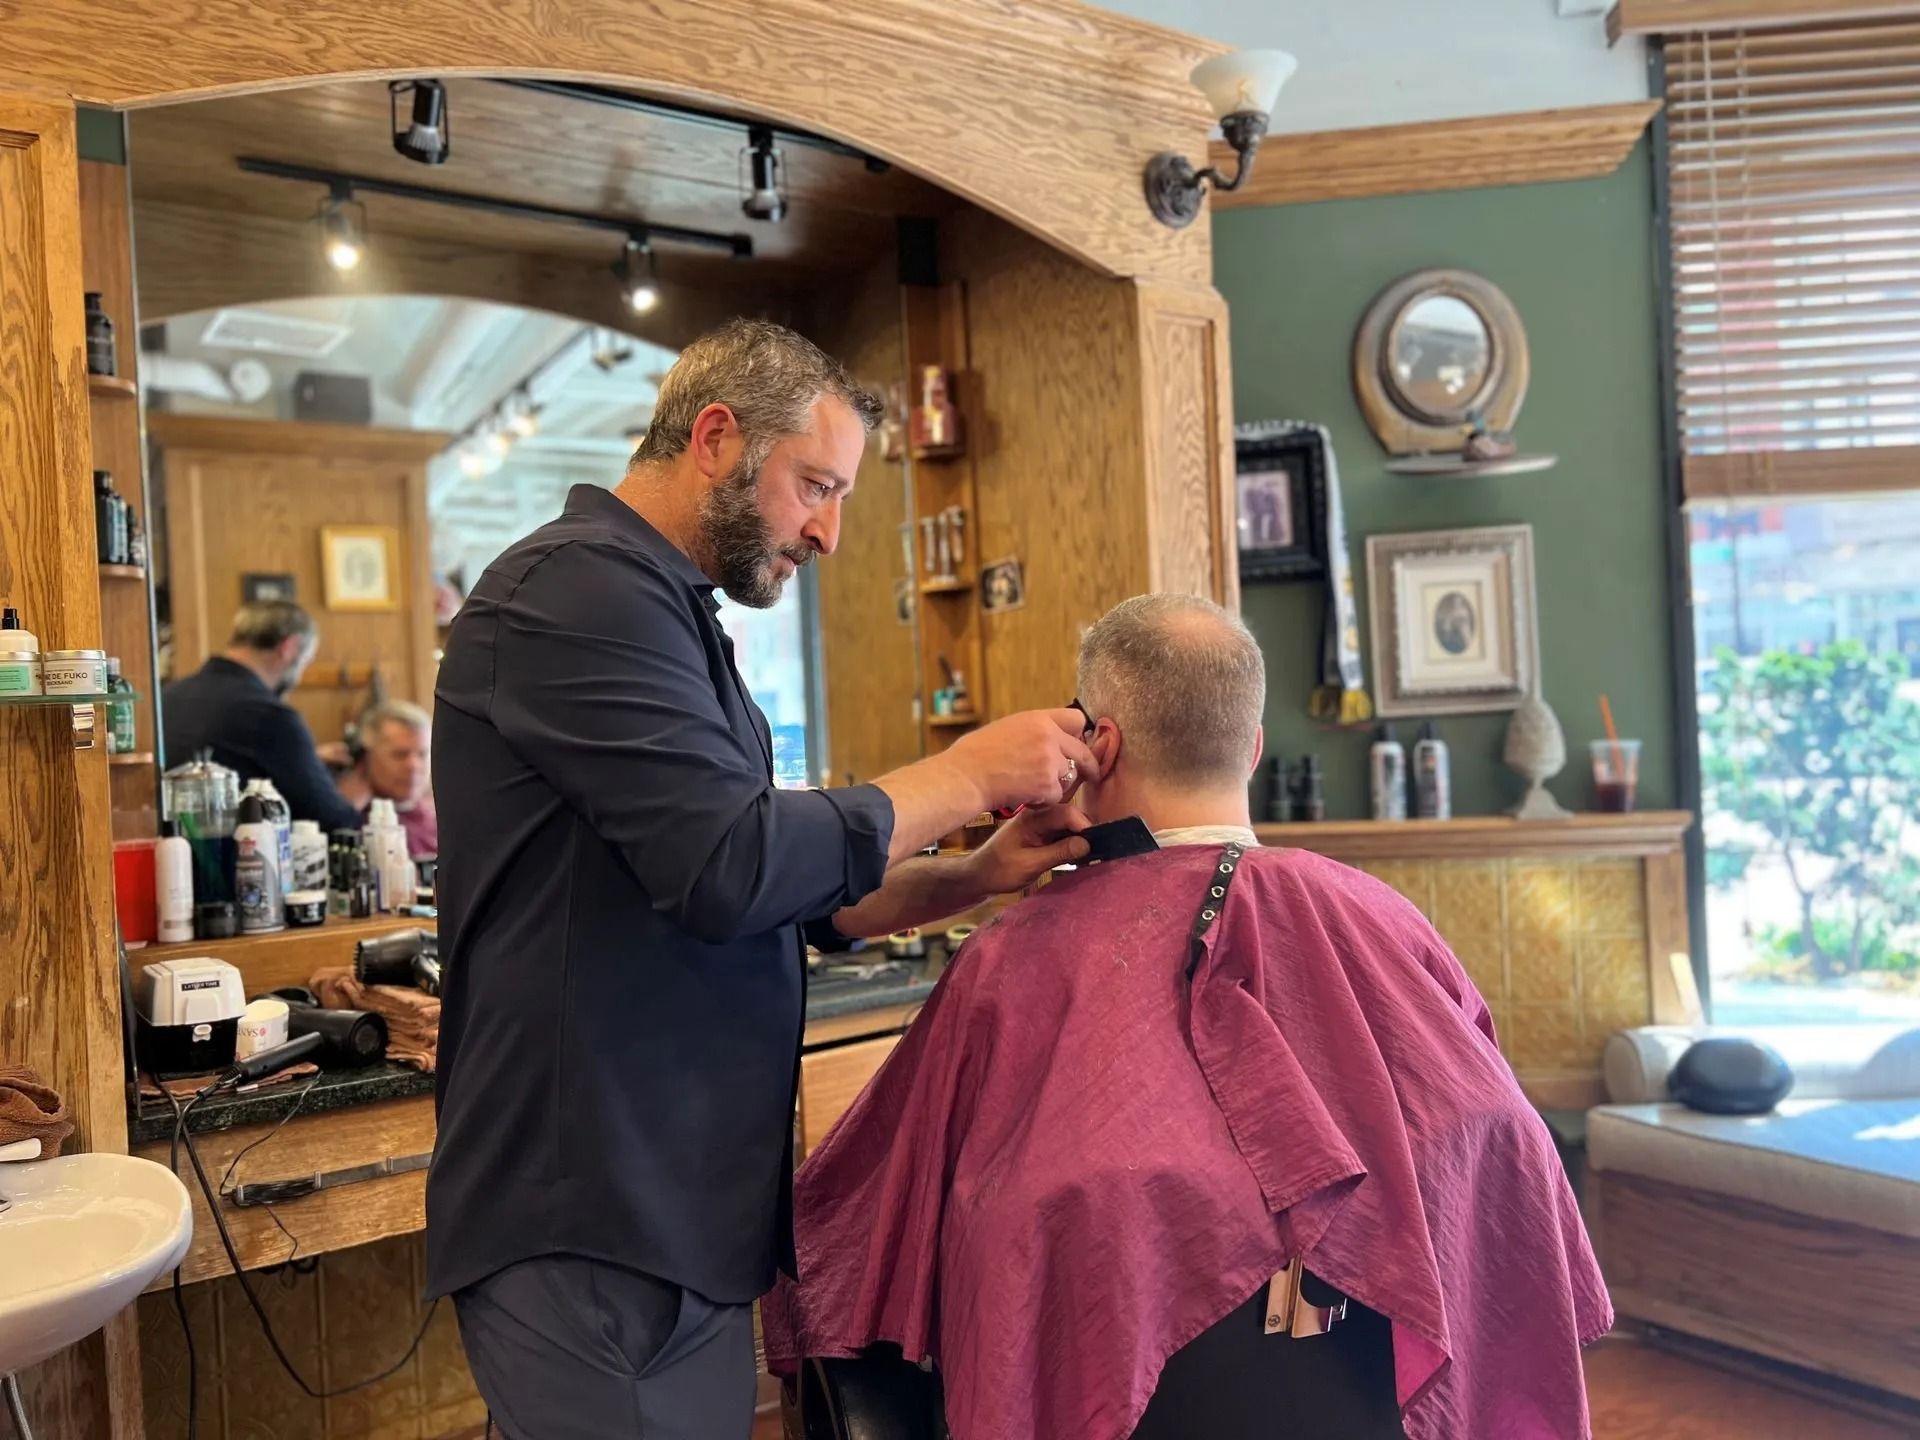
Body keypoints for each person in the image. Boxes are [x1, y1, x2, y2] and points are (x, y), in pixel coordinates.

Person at [425, 319, 1103, 1440]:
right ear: (716, 437)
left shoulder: (669, 614)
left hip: (669, 1206)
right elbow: (732, 866)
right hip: (593, 1205)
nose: (831, 532)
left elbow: (790, 885)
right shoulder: (573, 592)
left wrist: (979, 871)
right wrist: (964, 770)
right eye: (815, 487)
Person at [763, 594, 1611, 1440]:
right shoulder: (1386, 919)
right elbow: (1491, 1129)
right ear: (1253, 748)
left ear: (1100, 748)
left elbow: (842, 1227)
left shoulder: (1009, 959)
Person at [162, 600, 362, 832]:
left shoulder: (170, 695)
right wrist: (363, 786)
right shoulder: (269, 715)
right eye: (306, 661)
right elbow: (332, 819)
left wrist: (309, 759)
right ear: (289, 648)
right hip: (231, 857)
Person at [334, 699, 438, 858]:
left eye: (422, 754)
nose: (414, 766)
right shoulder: (349, 823)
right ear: (365, 757)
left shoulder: (444, 817)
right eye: (400, 755)